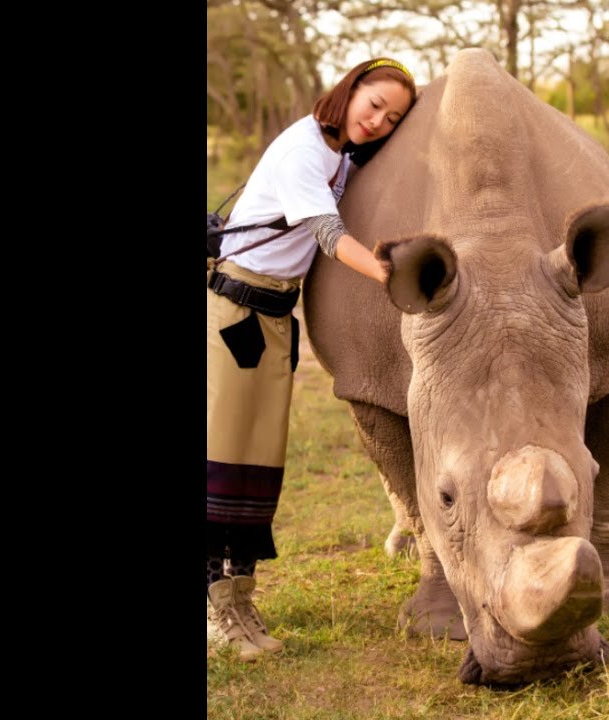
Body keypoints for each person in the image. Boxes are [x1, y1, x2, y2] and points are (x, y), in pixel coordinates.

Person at [206, 58, 417, 661]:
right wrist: (389, 273)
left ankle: (239, 599)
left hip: (273, 318)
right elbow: (326, 231)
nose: (378, 121)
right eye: (373, 104)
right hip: (236, 314)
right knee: (223, 458)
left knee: (257, 465)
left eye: (393, 117)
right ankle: (218, 609)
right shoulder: (303, 146)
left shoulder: (340, 153)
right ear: (349, 91)